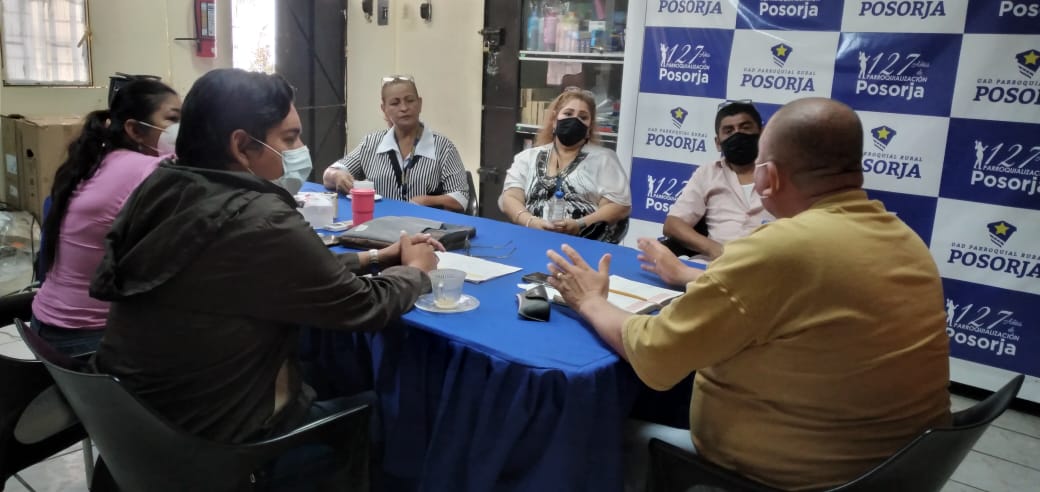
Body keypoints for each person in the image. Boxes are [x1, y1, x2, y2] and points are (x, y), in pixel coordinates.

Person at [544, 98, 951, 490]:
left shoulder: (780, 248)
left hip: (783, 479)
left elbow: (653, 353)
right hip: (899, 471)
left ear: (768, 176)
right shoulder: (904, 239)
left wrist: (590, 300)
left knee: (585, 430)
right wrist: (692, 278)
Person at [89, 69, 440, 478]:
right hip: (213, 444)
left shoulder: (163, 187)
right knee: (395, 412)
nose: (301, 150)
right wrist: (416, 271)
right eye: (289, 139)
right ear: (241, 145)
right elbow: (363, 306)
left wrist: (374, 258)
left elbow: (268, 270)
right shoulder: (258, 216)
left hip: (133, 429)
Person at [31, 78, 181, 356]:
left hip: (45, 325)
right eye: (172, 119)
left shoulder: (95, 160)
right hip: (87, 337)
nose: (180, 128)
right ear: (135, 129)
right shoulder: (148, 168)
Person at [498, 88, 631, 243]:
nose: (575, 120)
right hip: (529, 239)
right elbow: (510, 198)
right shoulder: (527, 157)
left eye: (583, 117)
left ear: (589, 128)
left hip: (583, 243)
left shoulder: (604, 160)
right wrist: (531, 222)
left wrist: (580, 224)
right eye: (568, 114)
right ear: (554, 120)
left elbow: (618, 207)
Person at [323, 75, 468, 212]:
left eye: (410, 100)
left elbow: (461, 198)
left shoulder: (443, 147)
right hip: (379, 222)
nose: (404, 108)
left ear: (420, 104)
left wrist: (427, 201)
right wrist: (337, 176)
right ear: (384, 109)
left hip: (425, 226)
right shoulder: (371, 143)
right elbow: (329, 174)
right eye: (395, 103)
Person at [663, 101, 774, 261]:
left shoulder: (783, 174)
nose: (737, 135)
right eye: (729, 131)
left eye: (745, 128)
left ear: (762, 133)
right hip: (715, 263)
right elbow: (673, 224)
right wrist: (713, 249)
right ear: (718, 143)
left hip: (768, 264)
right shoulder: (707, 173)